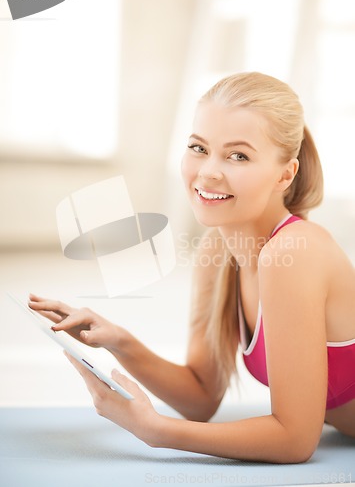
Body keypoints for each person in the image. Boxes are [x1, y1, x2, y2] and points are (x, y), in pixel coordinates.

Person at [29, 72, 355, 464]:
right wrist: (119, 341)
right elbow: (201, 395)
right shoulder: (217, 250)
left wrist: (155, 430)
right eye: (199, 147)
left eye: (239, 155)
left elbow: (294, 440)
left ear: (286, 174)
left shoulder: (293, 251)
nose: (208, 171)